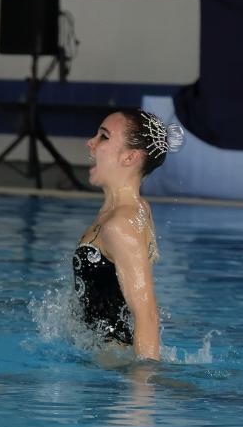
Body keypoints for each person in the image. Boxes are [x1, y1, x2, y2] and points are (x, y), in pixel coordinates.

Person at [73, 109, 183, 361]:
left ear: (130, 157)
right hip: (106, 359)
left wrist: (142, 381)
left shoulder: (120, 224)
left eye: (103, 137)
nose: (90, 143)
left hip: (111, 365)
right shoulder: (137, 208)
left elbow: (147, 315)